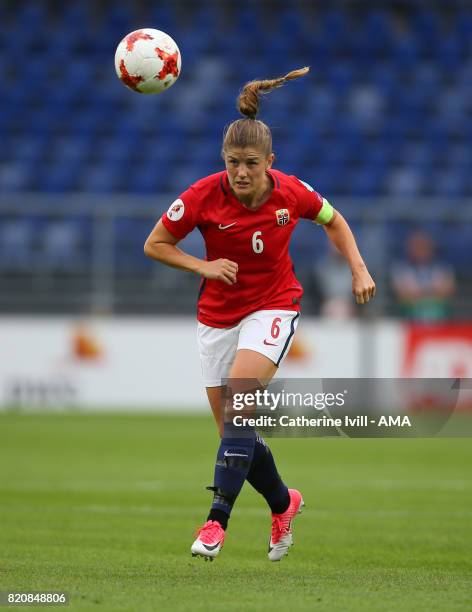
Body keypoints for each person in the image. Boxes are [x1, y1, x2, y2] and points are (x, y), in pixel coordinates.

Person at [144, 67, 376, 562]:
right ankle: (283, 502)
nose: (241, 172)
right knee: (235, 431)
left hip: (274, 305)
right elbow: (156, 244)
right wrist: (202, 264)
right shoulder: (203, 194)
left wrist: (358, 268)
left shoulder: (291, 192)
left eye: (251, 162)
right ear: (222, 161)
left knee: (240, 405)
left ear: (271, 161)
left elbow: (335, 223)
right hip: (216, 318)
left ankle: (215, 521)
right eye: (233, 163)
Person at [391, 230, 455, 321]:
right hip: (409, 317)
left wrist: (418, 295)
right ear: (410, 249)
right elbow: (402, 294)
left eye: (424, 247)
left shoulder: (442, 268)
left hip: (440, 317)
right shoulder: (401, 269)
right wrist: (432, 292)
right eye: (417, 247)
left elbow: (447, 291)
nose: (421, 251)